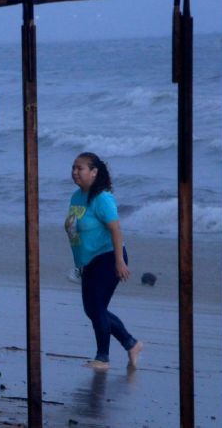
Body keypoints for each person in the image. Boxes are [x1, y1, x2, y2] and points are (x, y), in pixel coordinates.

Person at [65, 152, 142, 370]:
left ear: (94, 172)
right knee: (93, 310)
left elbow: (116, 230)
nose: (75, 172)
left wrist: (119, 261)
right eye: (73, 167)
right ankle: (131, 343)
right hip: (89, 261)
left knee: (97, 307)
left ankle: (102, 358)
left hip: (108, 257)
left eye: (80, 168)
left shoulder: (102, 198)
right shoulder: (76, 197)